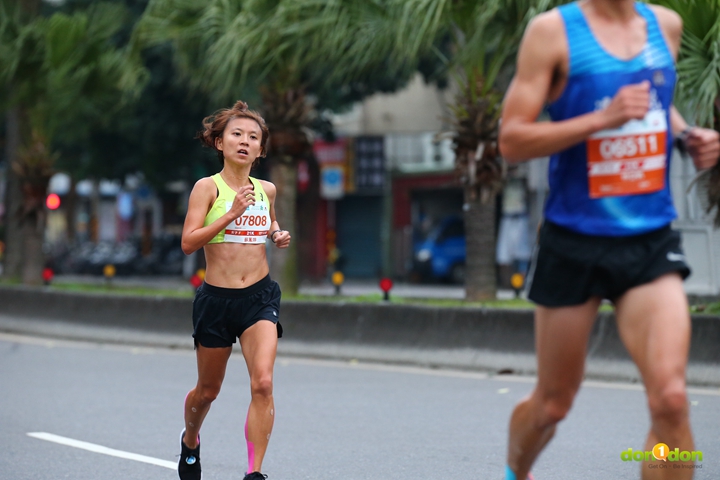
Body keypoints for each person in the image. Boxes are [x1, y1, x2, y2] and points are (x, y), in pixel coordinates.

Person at [498, 1, 720, 479]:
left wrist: (685, 136)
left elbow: (657, 101)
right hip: (573, 239)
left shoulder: (665, 26)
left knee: (672, 400)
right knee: (553, 404)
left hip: (649, 240)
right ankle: (517, 470)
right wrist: (603, 119)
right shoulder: (553, 32)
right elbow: (512, 139)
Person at [178, 100, 290, 480]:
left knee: (263, 382)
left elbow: (269, 221)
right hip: (216, 301)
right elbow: (188, 243)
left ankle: (254, 473)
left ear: (260, 149)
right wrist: (229, 214)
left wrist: (277, 233)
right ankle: (190, 439)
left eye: (253, 137)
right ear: (220, 142)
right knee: (208, 391)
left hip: (259, 297)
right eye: (237, 134)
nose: (244, 141)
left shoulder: (267, 189)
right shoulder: (206, 188)